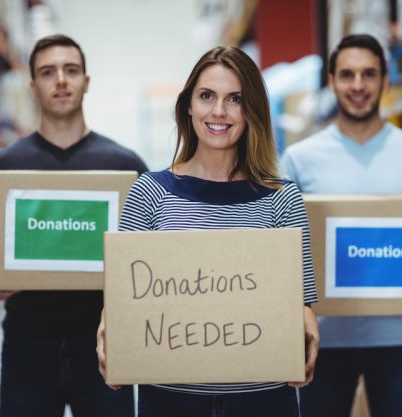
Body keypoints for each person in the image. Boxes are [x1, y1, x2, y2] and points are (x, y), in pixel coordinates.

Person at [96, 46, 319, 417]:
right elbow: (122, 299)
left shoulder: (282, 199)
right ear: (188, 106)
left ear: (253, 112)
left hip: (262, 399)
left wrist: (309, 338)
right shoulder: (149, 193)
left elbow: (302, 304)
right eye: (206, 96)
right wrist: (110, 335)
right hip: (170, 398)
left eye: (235, 99)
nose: (219, 112)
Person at [280, 34, 402, 417]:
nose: (358, 86)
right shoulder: (299, 160)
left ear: (385, 80)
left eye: (369, 74)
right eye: (348, 75)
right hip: (323, 342)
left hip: (400, 342)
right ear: (332, 81)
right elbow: (277, 247)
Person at [0, 34, 147, 417]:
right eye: (48, 72)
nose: (60, 80)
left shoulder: (125, 167)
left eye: (70, 70)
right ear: (32, 87)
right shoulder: (5, 165)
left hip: (105, 344)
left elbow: (153, 250)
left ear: (86, 82)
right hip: (28, 345)